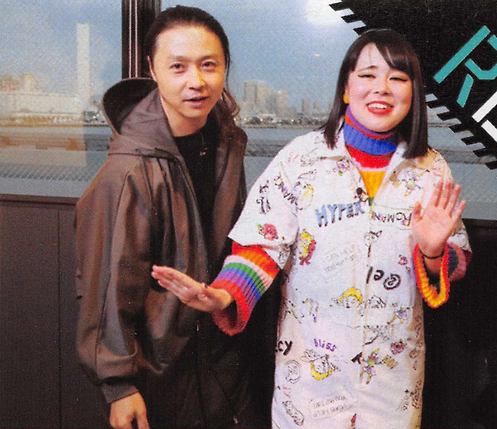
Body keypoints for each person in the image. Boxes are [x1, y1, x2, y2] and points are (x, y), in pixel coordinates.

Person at [152, 28, 472, 429]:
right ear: (346, 88)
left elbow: (454, 263)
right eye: (368, 75)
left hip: (393, 381)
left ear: (413, 93)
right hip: (310, 381)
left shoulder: (430, 169)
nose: (382, 88)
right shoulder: (300, 160)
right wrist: (222, 294)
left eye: (397, 77)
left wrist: (433, 252)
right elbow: (261, 247)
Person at [75, 6, 274, 429]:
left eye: (209, 65)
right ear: (152, 69)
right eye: (178, 67)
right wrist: (118, 386)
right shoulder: (128, 170)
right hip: (160, 373)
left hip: (223, 358)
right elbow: (106, 287)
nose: (196, 81)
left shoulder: (225, 144)